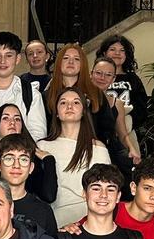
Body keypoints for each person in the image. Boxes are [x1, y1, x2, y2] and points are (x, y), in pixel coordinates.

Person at [46, 43, 135, 177]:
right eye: (66, 58)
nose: (71, 62)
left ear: (83, 64)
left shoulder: (96, 94)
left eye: (76, 59)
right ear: (58, 63)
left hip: (93, 154)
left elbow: (108, 130)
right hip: (57, 152)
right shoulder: (46, 96)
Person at [39, 88, 111, 226]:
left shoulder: (98, 148)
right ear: (56, 112)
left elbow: (107, 188)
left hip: (89, 217)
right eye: (63, 103)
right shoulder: (42, 146)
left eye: (76, 102)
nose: (69, 106)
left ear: (83, 111)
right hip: (53, 217)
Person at [0, 104, 58, 204]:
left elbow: (49, 196)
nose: (12, 122)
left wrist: (49, 160)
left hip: (26, 213)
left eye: (17, 119)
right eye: (5, 118)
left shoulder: (31, 158)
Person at [0, 32, 48, 140]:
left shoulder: (32, 95)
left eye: (9, 55)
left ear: (17, 59)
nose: (2, 61)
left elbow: (38, 136)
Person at [97, 34, 148, 149]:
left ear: (127, 55)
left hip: (128, 132)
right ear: (104, 53)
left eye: (122, 50)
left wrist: (127, 123)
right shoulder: (97, 77)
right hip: (101, 133)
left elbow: (142, 108)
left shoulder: (133, 79)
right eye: (112, 49)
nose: (117, 53)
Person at [90, 56, 142, 165]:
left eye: (108, 75)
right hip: (87, 150)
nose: (102, 78)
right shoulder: (79, 99)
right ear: (91, 74)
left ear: (113, 79)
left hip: (111, 151)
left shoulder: (117, 103)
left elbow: (123, 134)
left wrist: (132, 149)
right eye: (98, 73)